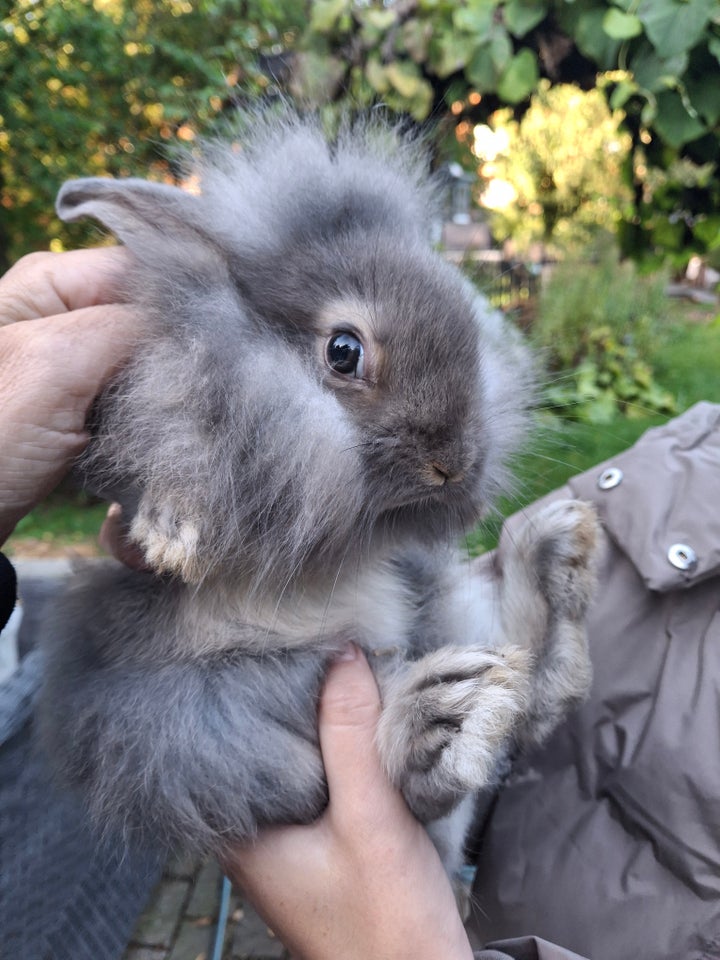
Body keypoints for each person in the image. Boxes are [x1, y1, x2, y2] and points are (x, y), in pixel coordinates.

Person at [2, 250, 719, 960]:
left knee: (437, 621)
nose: (445, 456)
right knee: (161, 670)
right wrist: (176, 484)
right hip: (243, 679)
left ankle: (442, 736)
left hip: (385, 695)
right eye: (346, 353)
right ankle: (439, 734)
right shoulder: (206, 371)